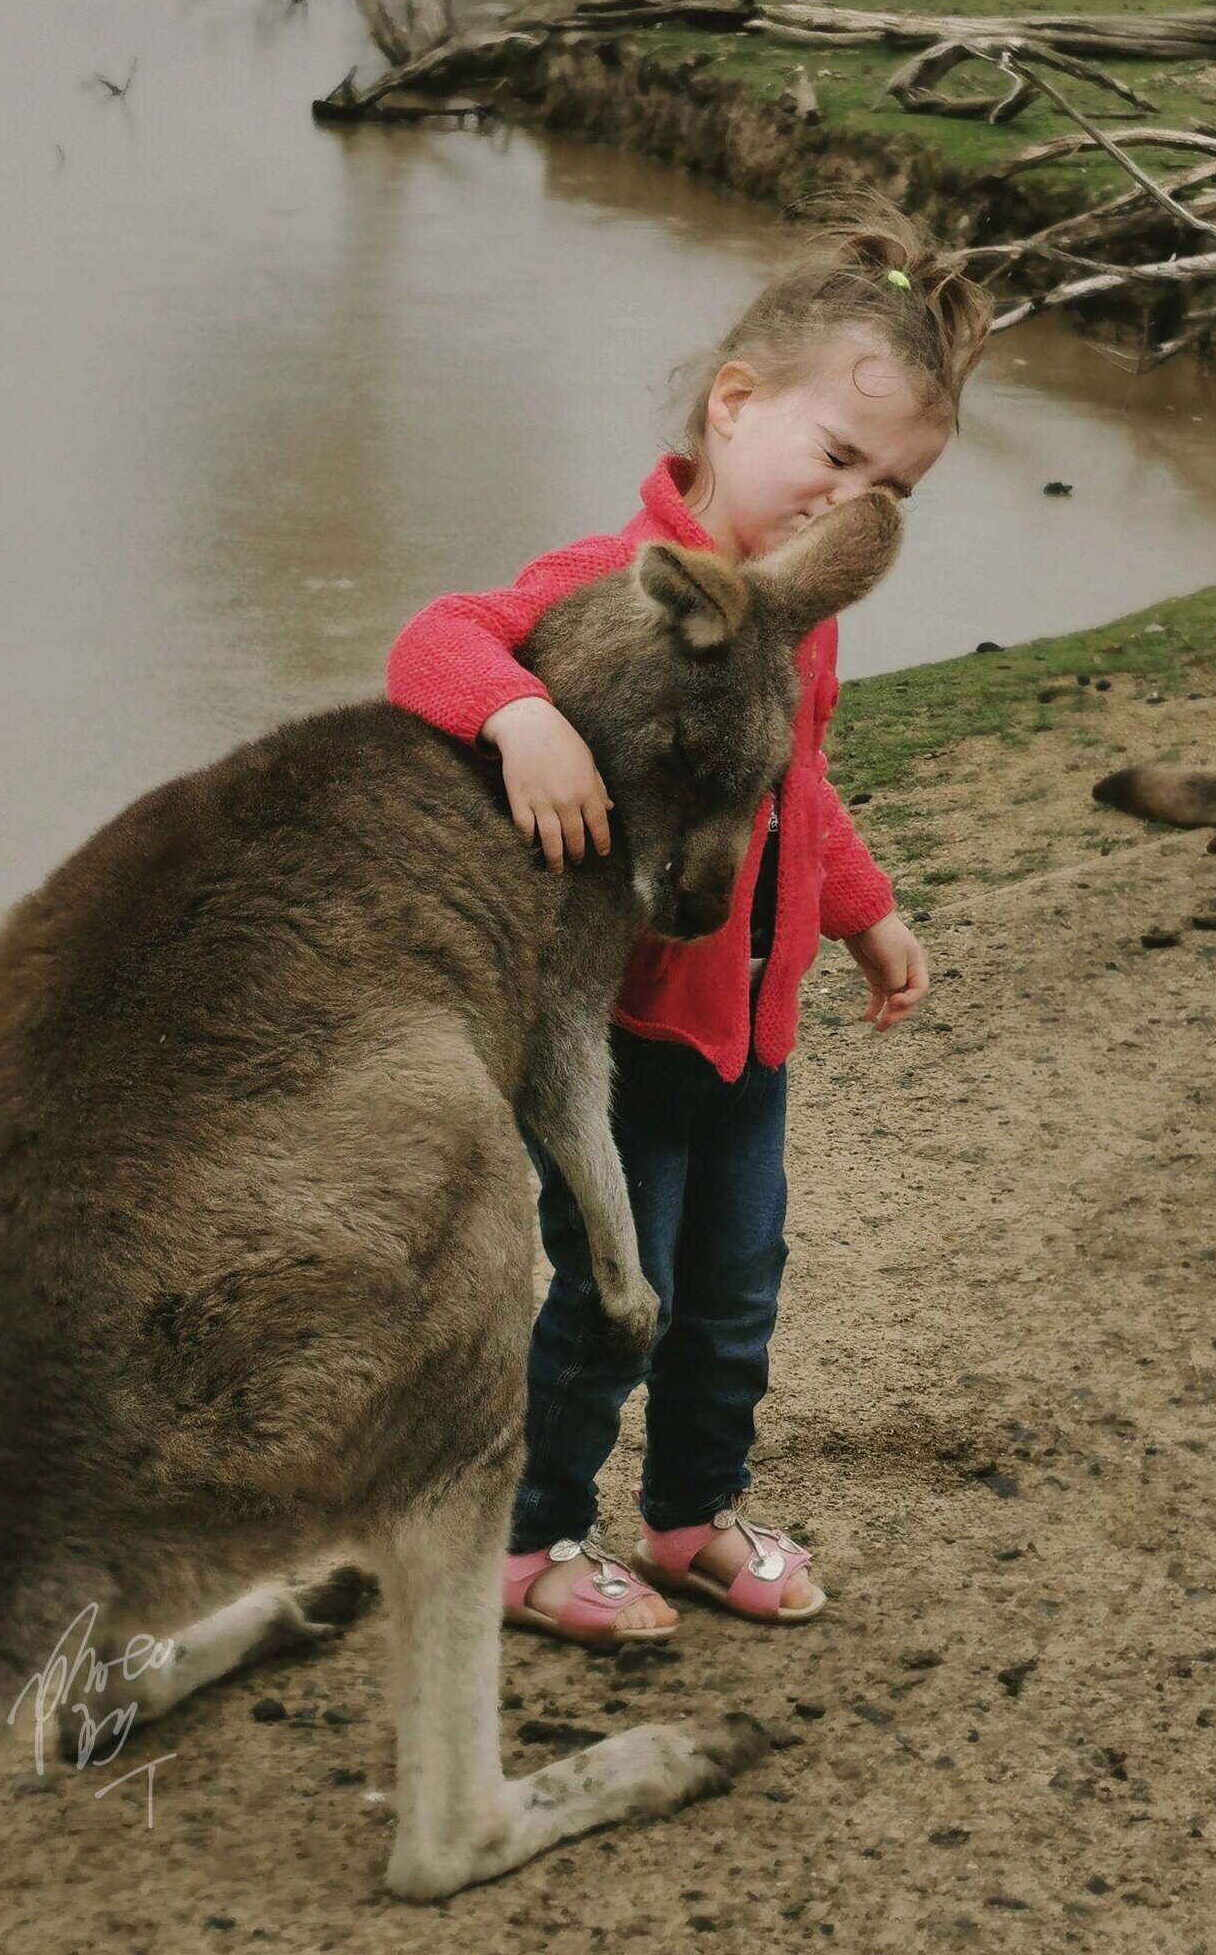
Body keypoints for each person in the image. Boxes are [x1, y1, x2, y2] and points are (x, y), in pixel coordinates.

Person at [384, 195, 994, 1646]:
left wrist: (866, 912)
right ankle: (525, 1546)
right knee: (614, 1300)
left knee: (735, 1297)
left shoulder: (801, 612)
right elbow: (437, 636)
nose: (852, 503)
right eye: (836, 458)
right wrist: (522, 714)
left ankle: (685, 1521)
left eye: (886, 489)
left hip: (756, 1030)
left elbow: (798, 789)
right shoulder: (616, 587)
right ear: (733, 405)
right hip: (626, 1033)